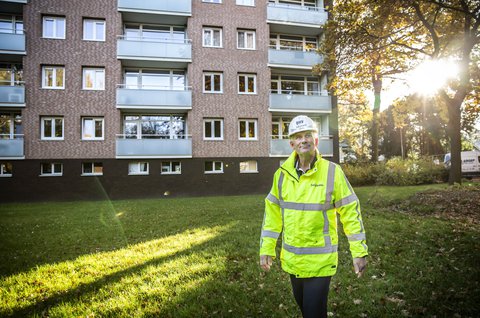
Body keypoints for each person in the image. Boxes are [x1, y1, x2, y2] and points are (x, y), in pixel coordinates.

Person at [259, 115, 368, 318]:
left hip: (320, 262)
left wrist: (359, 252)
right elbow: (272, 214)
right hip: (293, 260)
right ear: (292, 144)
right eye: (298, 137)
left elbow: (351, 212)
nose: (304, 140)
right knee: (304, 308)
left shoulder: (333, 173)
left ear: (316, 140)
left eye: (308, 135)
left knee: (313, 313)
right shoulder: (281, 175)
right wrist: (266, 248)